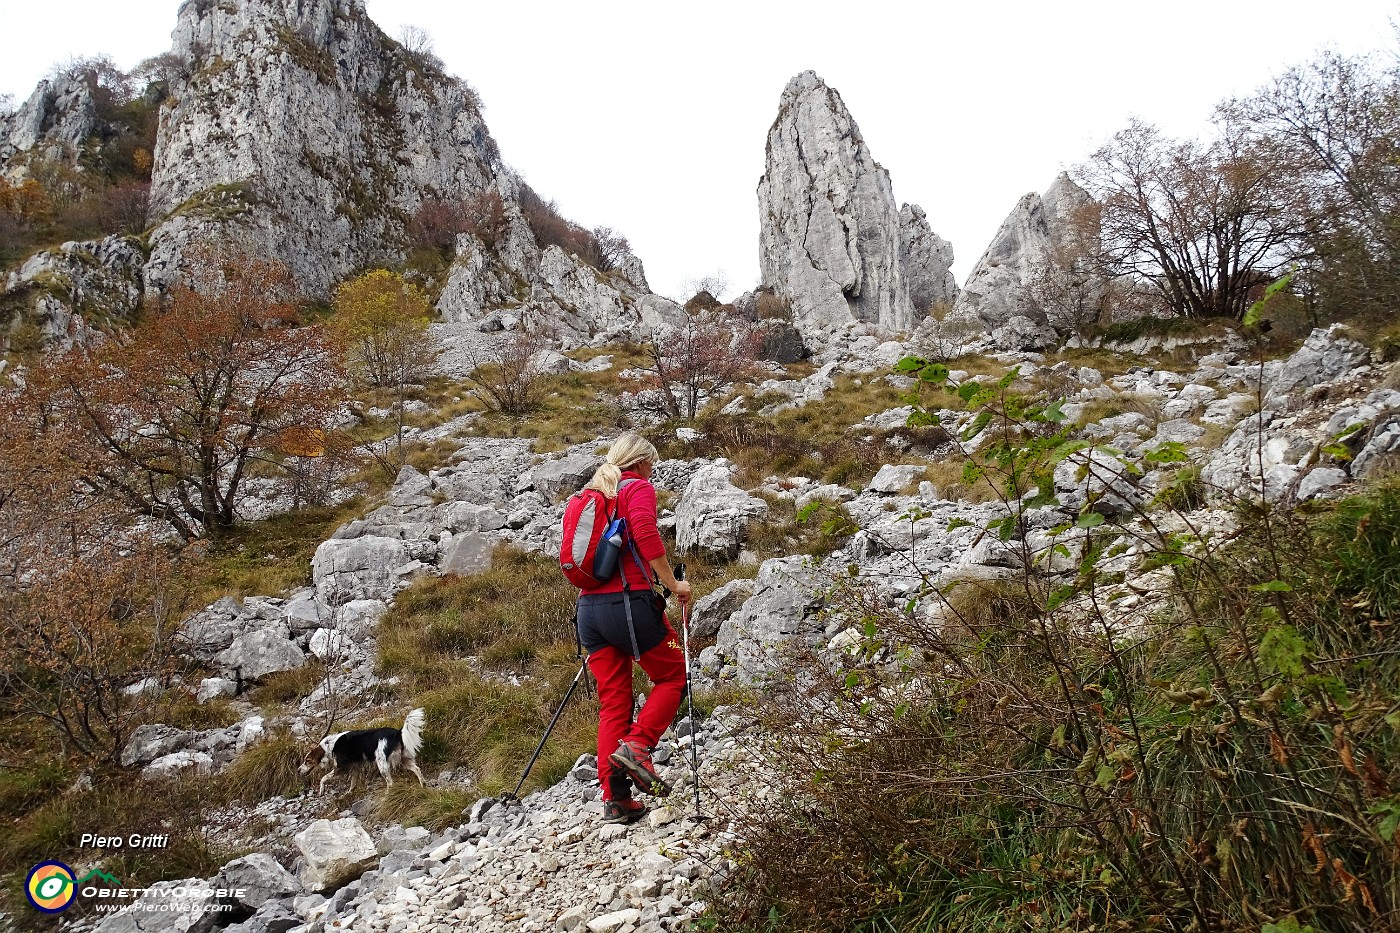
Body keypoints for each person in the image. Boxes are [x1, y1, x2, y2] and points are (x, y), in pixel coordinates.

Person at [575, 433, 692, 825]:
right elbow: (644, 533)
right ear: (641, 463)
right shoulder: (636, 487)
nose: (653, 472)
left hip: (589, 612)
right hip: (628, 605)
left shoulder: (590, 496)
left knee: (614, 704)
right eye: (652, 465)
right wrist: (674, 585)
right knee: (674, 675)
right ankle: (639, 746)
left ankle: (616, 799)